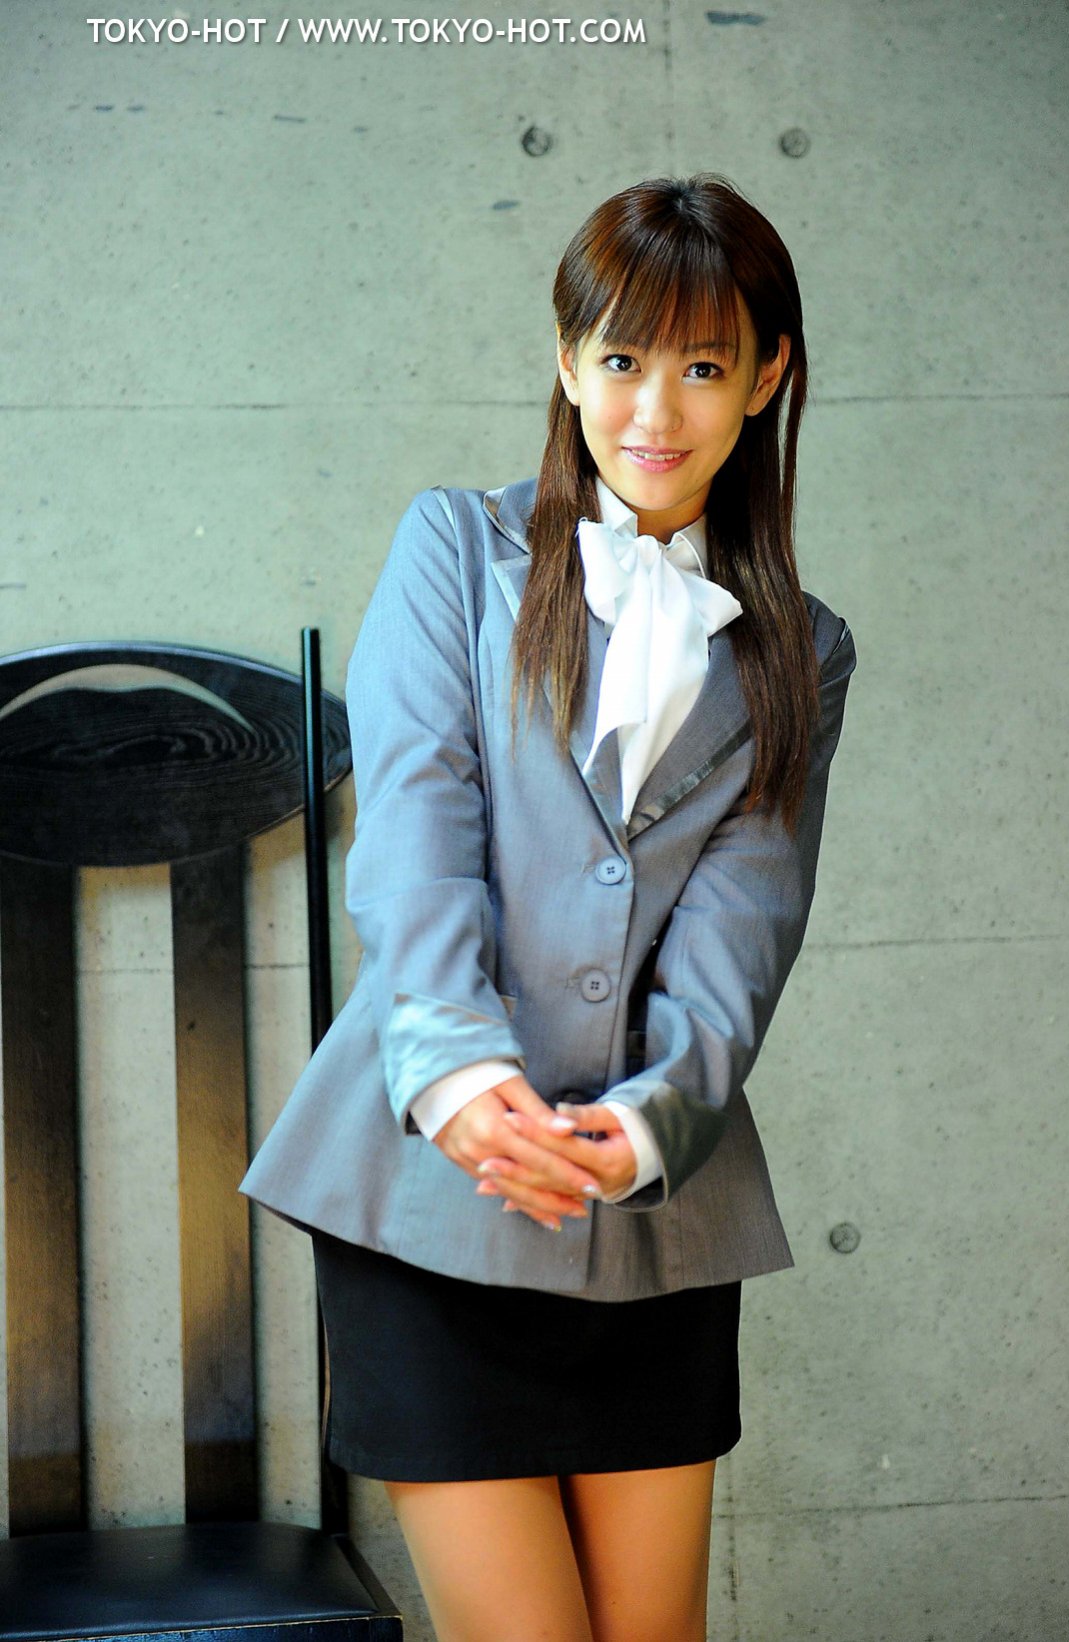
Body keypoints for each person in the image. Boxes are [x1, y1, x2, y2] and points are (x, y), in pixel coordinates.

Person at [239, 171, 857, 1642]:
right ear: (567, 360)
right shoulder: (455, 548)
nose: (656, 408)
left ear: (767, 374)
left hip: (655, 1210)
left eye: (703, 365)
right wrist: (459, 1077)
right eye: (623, 356)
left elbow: (747, 925)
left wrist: (648, 1127)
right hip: (430, 1187)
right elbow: (415, 824)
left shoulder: (805, 650)